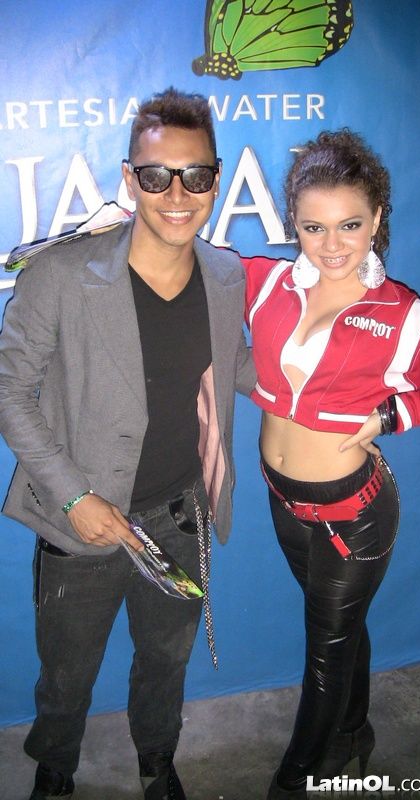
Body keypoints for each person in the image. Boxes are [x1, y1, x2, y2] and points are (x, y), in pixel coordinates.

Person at [0, 87, 255, 800]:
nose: (176, 195)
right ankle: (56, 766)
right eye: (155, 175)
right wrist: (73, 496)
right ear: (129, 178)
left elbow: (236, 363)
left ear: (216, 179)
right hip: (81, 517)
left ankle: (156, 761)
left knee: (165, 661)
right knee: (66, 671)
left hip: (179, 515)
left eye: (195, 175)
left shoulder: (226, 274)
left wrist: (328, 389)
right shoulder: (61, 275)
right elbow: (9, 389)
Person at [243, 130, 420, 799]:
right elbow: (180, 258)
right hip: (284, 500)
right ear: (294, 223)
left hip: (353, 516)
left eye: (350, 225)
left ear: (377, 218)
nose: (332, 245)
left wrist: (394, 415)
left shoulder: (407, 315)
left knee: (324, 656)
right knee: (341, 629)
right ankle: (354, 734)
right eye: (314, 227)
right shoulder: (266, 283)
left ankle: (295, 778)